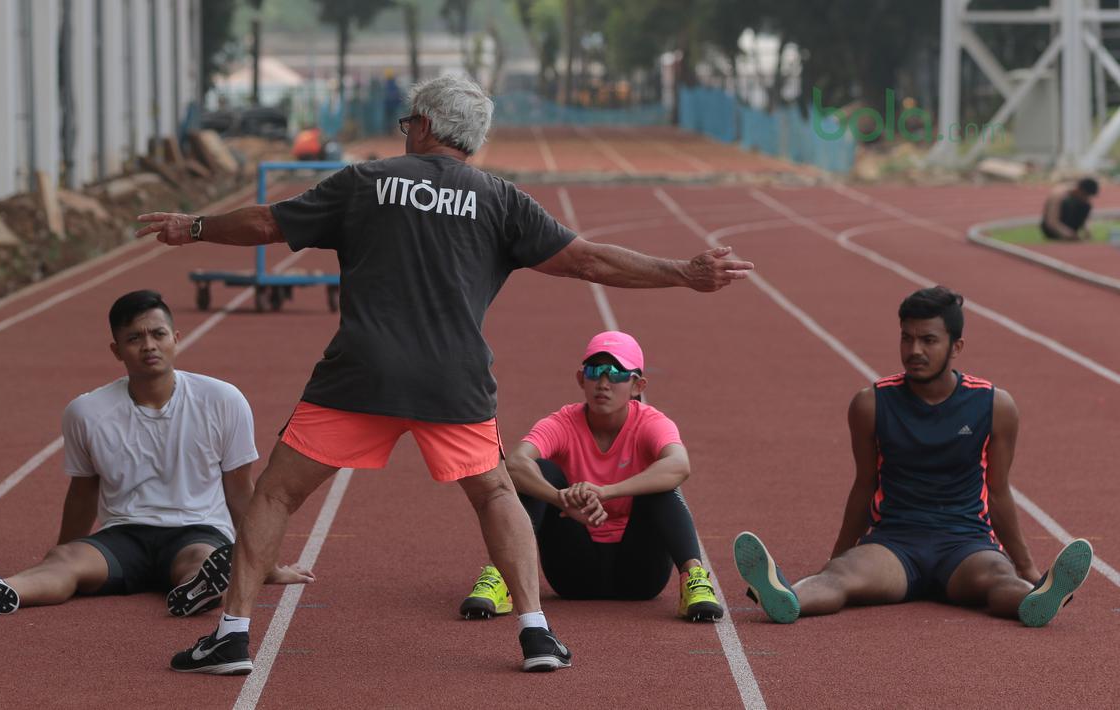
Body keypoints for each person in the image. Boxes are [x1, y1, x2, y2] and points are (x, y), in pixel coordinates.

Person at [135, 74, 753, 676]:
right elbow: (588, 259)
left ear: (425, 125)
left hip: (360, 376)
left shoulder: (365, 181)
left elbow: (269, 224)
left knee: (275, 493)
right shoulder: (501, 199)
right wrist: (683, 272)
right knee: (495, 495)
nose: (405, 132)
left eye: (409, 123)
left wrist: (193, 228)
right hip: (452, 383)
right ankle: (536, 634)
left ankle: (234, 636)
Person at [0, 290, 310, 622]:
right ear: (116, 350)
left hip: (197, 529)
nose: (148, 346)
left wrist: (267, 566)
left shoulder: (223, 401)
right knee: (66, 563)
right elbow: (82, 492)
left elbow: (240, 491)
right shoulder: (86, 412)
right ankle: (3, 589)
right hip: (123, 537)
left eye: (158, 334)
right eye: (134, 338)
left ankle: (199, 590)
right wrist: (65, 550)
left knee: (203, 561)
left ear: (176, 338)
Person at [733, 286, 1093, 628]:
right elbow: (864, 486)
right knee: (840, 578)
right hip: (895, 544)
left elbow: (998, 492)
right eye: (907, 337)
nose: (914, 349)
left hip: (965, 543)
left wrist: (1027, 568)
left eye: (929, 340)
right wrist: (837, 557)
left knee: (1000, 579)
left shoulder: (995, 406)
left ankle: (1038, 598)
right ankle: (787, 597)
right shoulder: (871, 404)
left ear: (956, 346)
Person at [459, 331, 724, 623]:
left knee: (662, 481)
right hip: (572, 573)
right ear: (580, 379)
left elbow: (679, 465)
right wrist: (560, 498)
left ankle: (694, 578)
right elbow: (517, 462)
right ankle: (500, 576)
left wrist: (607, 491)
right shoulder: (562, 422)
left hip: (640, 574)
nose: (603, 383)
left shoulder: (651, 423)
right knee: (540, 471)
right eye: (594, 371)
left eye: (616, 374)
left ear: (638, 385)